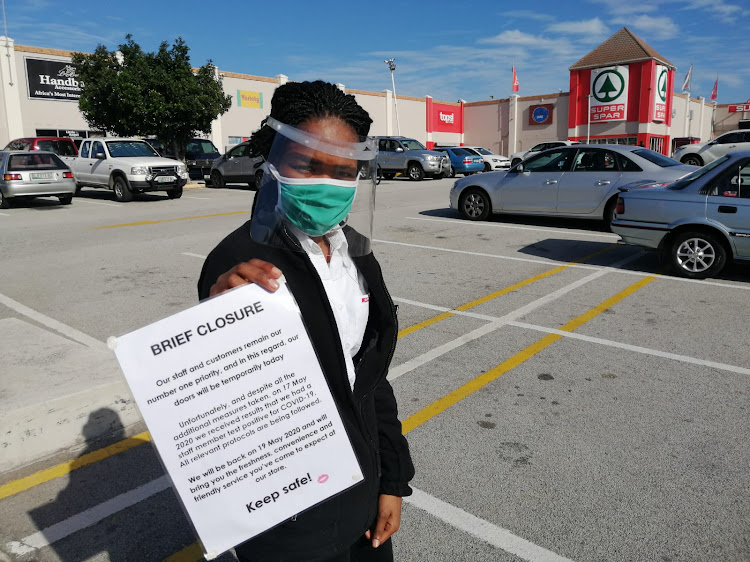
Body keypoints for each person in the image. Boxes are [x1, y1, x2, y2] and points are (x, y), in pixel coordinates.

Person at [197, 80, 415, 562]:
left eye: (343, 172)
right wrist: (213, 322)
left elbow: (368, 377)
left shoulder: (353, 252)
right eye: (308, 166)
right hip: (290, 519)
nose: (326, 185)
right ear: (274, 161)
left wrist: (392, 481)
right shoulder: (240, 265)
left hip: (362, 491)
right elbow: (228, 401)